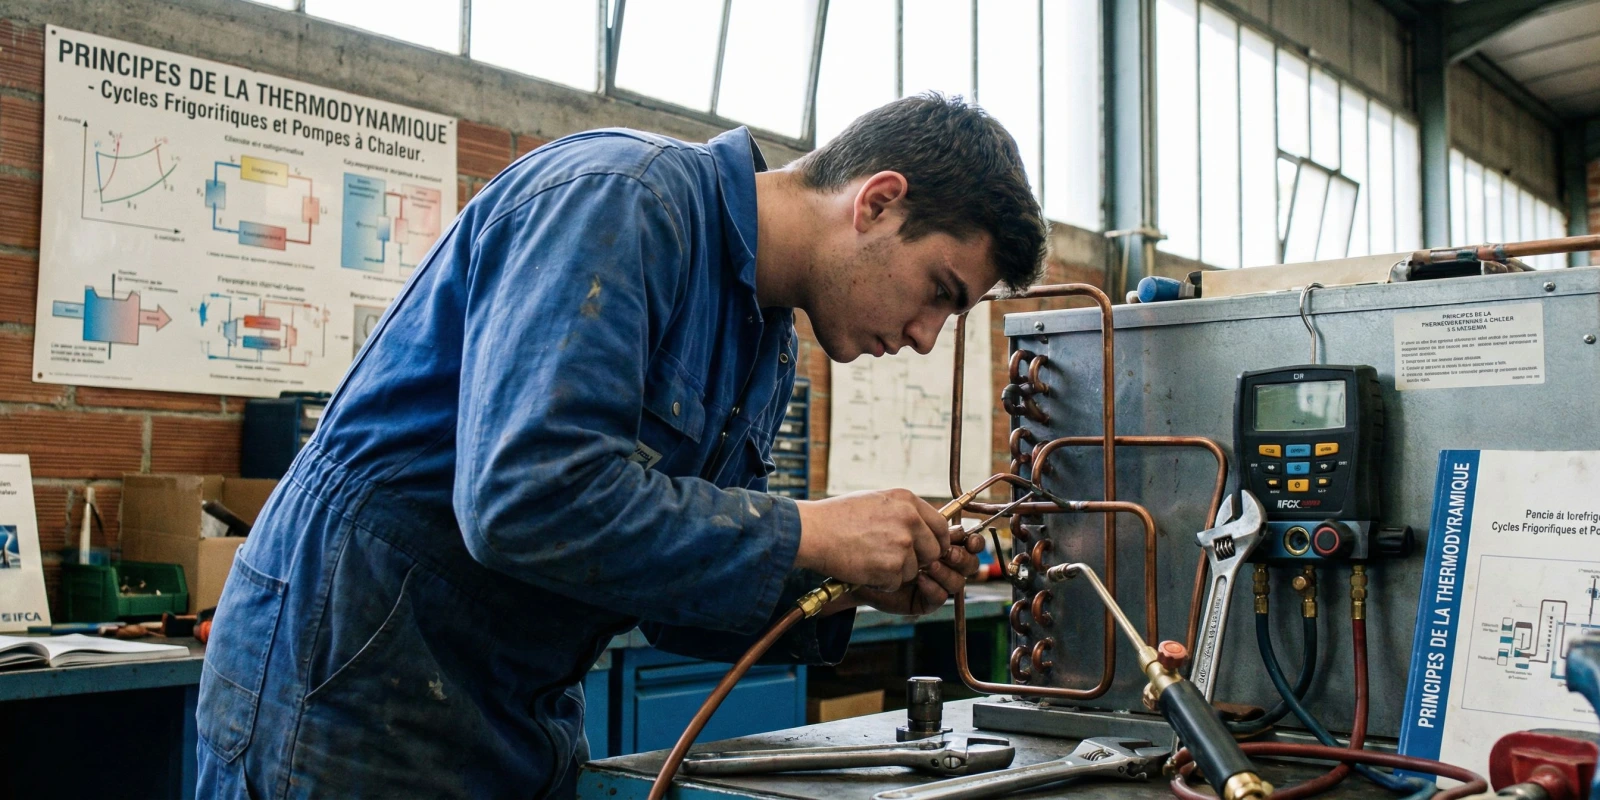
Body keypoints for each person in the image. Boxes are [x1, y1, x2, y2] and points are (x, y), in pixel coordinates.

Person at [195, 93, 1046, 799]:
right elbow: (524, 499)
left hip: (508, 708)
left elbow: (668, 588)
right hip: (344, 690)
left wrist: (845, 586)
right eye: (941, 291)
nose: (930, 336)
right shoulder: (620, 199)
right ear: (877, 201)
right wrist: (815, 532)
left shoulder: (765, 341)